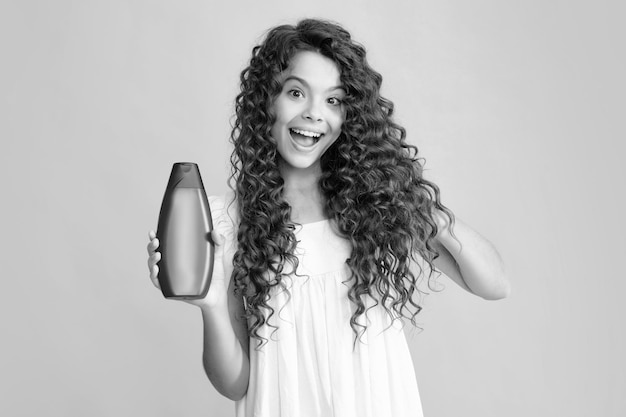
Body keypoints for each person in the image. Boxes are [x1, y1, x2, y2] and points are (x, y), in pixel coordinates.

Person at [147, 18, 509, 417]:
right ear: (267, 100)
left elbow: (493, 284)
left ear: (350, 115)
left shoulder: (375, 206)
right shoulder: (228, 222)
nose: (314, 114)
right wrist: (211, 304)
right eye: (297, 93)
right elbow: (235, 383)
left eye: (333, 100)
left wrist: (414, 200)